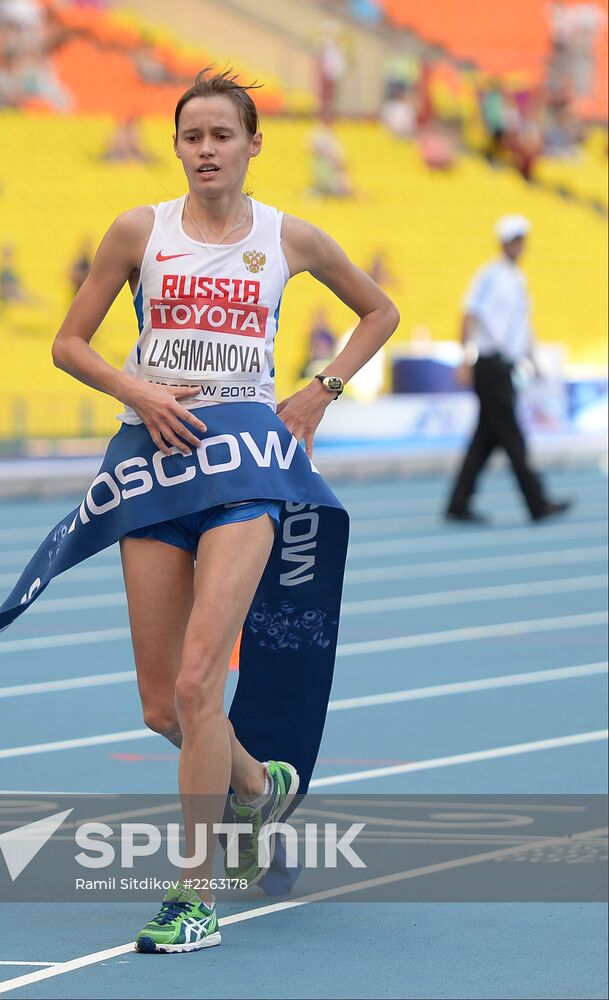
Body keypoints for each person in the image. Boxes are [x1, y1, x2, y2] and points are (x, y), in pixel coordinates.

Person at [50, 67, 398, 952]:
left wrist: (321, 389)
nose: (205, 150)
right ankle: (259, 785)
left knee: (205, 683)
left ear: (251, 145)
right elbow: (67, 343)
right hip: (154, 460)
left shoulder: (289, 238)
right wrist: (139, 390)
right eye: (191, 136)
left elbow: (379, 311)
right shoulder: (139, 230)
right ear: (175, 146)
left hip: (246, 465)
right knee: (163, 706)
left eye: (220, 136)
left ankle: (192, 895)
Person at [444, 215, 570, 524]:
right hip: (489, 365)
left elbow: (523, 328)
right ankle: (536, 503)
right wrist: (464, 359)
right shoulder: (489, 275)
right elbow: (468, 314)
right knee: (513, 438)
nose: (519, 245)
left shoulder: (518, 279)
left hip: (505, 366)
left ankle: (458, 503)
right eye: (514, 239)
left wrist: (534, 360)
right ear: (503, 243)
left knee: (485, 440)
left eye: (521, 239)